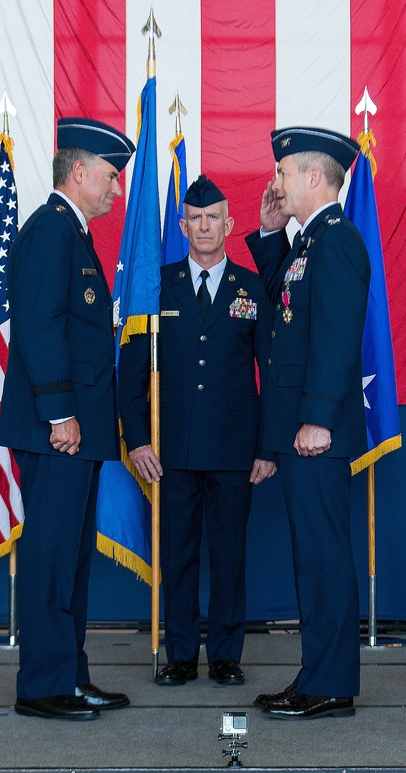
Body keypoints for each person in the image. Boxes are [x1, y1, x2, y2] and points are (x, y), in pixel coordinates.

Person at [0, 117, 135, 721]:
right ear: (78, 172)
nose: (115, 190)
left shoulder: (71, 234)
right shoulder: (50, 232)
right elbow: (38, 327)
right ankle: (44, 687)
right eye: (110, 176)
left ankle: (68, 675)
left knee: (71, 563)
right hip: (57, 430)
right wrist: (60, 414)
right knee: (52, 557)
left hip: (73, 432)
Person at [119, 175, 275, 687]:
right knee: (178, 556)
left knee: (229, 557)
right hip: (172, 449)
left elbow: (271, 373)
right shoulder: (155, 286)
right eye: (195, 218)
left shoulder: (251, 288)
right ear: (181, 225)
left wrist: (269, 446)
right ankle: (182, 654)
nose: (204, 226)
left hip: (234, 450)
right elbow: (132, 371)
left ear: (230, 225)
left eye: (214, 218)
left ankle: (226, 655)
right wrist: (138, 438)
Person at [244, 126, 370, 720]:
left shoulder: (337, 241)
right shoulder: (309, 242)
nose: (277, 182)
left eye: (285, 172)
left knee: (324, 557)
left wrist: (318, 418)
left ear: (313, 177)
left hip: (316, 433)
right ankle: (317, 674)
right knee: (311, 558)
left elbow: (338, 338)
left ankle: (332, 683)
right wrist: (271, 237)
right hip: (300, 429)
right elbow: (286, 310)